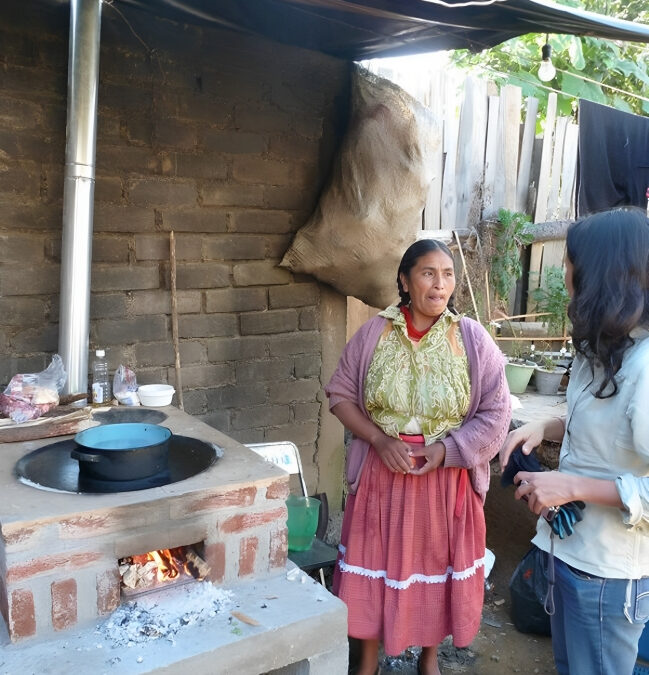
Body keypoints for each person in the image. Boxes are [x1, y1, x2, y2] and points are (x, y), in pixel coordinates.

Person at [325, 239, 511, 675]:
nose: (439, 284)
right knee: (374, 564)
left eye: (447, 274)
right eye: (428, 273)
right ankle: (367, 661)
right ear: (406, 281)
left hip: (444, 481)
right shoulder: (375, 333)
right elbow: (340, 394)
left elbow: (497, 412)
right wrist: (378, 439)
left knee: (435, 568)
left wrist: (447, 450)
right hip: (382, 474)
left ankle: (429, 661)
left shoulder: (471, 339)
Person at [499, 207, 649, 675]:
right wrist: (544, 428)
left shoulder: (645, 368)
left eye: (570, 262)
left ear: (601, 272)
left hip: (607, 574)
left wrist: (573, 487)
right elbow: (600, 423)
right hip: (567, 553)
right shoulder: (600, 348)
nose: (564, 271)